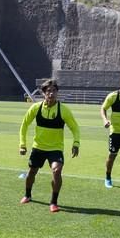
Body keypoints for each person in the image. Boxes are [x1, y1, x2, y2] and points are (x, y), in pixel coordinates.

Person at [19, 79, 80, 212]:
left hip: (55, 148)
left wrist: (76, 143)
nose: (51, 94)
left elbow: (74, 127)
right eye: (48, 91)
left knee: (56, 171)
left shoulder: (63, 110)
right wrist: (22, 144)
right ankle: (27, 195)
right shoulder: (36, 108)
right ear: (43, 93)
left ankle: (53, 202)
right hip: (38, 147)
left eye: (53, 91)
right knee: (31, 172)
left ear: (57, 92)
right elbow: (24, 125)